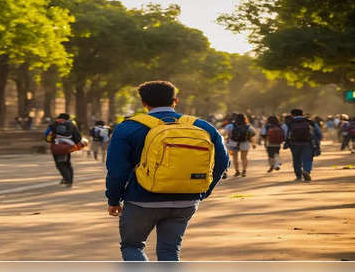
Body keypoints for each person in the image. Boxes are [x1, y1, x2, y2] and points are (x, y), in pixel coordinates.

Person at [105, 81, 230, 261]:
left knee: (132, 246)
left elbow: (117, 170)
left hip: (141, 200)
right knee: (169, 252)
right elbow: (223, 161)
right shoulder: (203, 126)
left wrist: (114, 200)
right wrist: (202, 191)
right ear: (175, 101)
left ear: (144, 103)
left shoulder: (128, 127)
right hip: (186, 201)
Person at [45, 113, 83, 187]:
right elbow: (78, 137)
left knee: (60, 164)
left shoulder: (53, 124)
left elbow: (47, 134)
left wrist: (51, 140)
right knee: (67, 163)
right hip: (68, 146)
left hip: (56, 146)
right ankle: (69, 180)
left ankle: (67, 180)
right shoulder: (71, 125)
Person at [284, 108, 322, 181]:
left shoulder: (289, 122)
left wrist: (287, 141)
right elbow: (318, 132)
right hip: (308, 143)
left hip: (294, 144)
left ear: (292, 115)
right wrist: (317, 140)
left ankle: (298, 175)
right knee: (307, 158)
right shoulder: (309, 121)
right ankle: (306, 171)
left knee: (296, 159)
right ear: (302, 114)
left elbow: (285, 133)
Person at [224, 113, 256, 178]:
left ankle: (237, 171)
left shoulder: (230, 126)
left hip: (233, 143)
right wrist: (253, 143)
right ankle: (244, 171)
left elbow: (227, 134)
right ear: (245, 119)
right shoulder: (248, 126)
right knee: (244, 157)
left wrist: (227, 141)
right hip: (245, 143)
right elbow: (253, 134)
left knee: (235, 158)